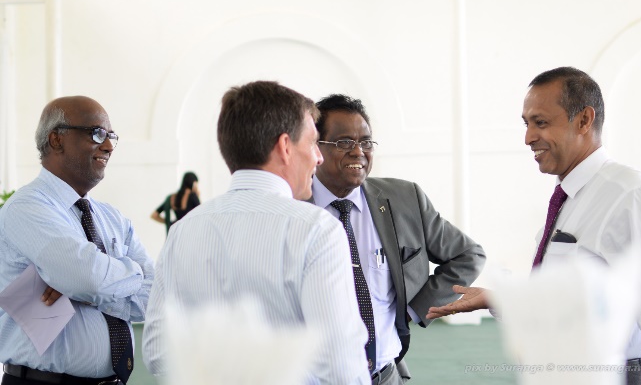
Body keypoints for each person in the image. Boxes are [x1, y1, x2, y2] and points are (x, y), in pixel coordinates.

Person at [427, 67, 641, 385]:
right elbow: (568, 307)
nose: (528, 137)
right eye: (527, 124)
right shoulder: (568, 198)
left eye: (540, 123)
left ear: (584, 120)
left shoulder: (629, 194)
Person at [142, 81, 370, 384]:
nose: (318, 157)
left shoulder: (183, 231)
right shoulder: (316, 230)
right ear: (285, 147)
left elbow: (158, 351)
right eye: (313, 143)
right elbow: (341, 364)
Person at [310, 94, 486, 384]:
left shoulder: (404, 199)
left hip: (385, 374)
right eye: (344, 142)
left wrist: (414, 309)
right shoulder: (293, 209)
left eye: (366, 142)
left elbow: (468, 254)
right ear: (316, 148)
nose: (358, 152)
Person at [0, 96, 154, 385]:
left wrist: (82, 293)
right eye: (96, 134)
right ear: (57, 139)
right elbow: (87, 277)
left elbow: (153, 296)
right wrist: (128, 272)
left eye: (111, 137)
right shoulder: (27, 207)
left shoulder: (113, 218)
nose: (108, 146)